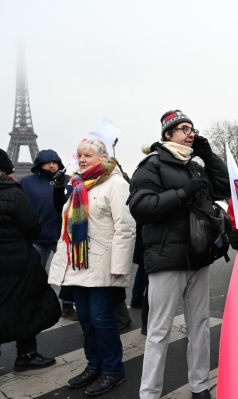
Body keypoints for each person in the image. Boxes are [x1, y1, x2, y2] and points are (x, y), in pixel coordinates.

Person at [128, 110, 230, 399]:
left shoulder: (196, 166)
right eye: (183, 128)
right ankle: (149, 393)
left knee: (199, 326)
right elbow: (140, 207)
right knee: (159, 331)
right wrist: (183, 194)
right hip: (166, 260)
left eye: (192, 128)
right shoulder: (152, 165)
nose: (190, 132)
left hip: (198, 255)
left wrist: (209, 156)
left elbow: (222, 188)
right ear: (167, 135)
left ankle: (199, 387)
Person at [49, 139, 136, 396]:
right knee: (86, 320)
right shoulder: (77, 184)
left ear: (102, 157)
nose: (83, 159)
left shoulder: (116, 184)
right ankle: (94, 365)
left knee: (101, 320)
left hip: (100, 264)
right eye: (80, 155)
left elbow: (125, 227)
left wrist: (119, 265)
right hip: (78, 264)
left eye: (88, 155)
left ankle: (112, 369)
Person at [0, 149, 61, 372]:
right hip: (17, 259)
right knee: (26, 303)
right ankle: (26, 354)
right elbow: (31, 225)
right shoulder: (13, 192)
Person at [19, 149, 78, 321]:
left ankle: (67, 305)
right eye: (47, 162)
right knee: (35, 273)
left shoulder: (68, 181)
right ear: (39, 164)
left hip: (62, 234)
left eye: (55, 162)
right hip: (37, 235)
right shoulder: (26, 182)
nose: (52, 165)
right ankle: (35, 305)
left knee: (67, 273)